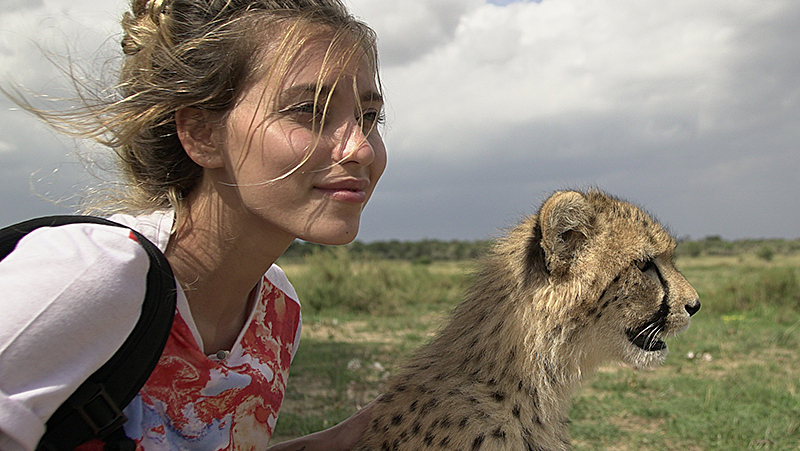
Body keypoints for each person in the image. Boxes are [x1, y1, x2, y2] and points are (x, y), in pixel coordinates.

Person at [0, 0, 386, 449]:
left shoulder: (276, 311)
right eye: (308, 110)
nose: (360, 148)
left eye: (369, 117)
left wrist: (353, 436)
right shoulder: (95, 273)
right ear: (202, 133)